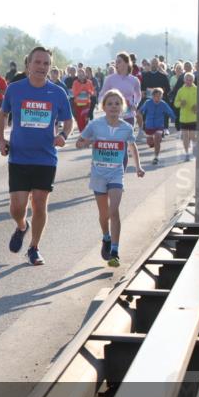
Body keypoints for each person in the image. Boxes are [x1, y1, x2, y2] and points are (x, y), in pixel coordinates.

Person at [0, 46, 74, 266]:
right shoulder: (15, 89)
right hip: (19, 157)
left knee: (40, 203)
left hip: (45, 157)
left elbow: (68, 120)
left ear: (50, 67)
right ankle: (22, 226)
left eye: (46, 63)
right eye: (38, 62)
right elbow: (2, 114)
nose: (42, 67)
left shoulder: (57, 92)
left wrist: (63, 134)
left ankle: (34, 247)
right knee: (17, 208)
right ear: (28, 65)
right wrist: (1, 141)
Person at [76, 90, 145, 267]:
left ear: (122, 107)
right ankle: (106, 237)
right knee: (103, 214)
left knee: (114, 211)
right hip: (98, 174)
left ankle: (114, 251)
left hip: (116, 173)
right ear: (103, 107)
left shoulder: (126, 128)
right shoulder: (95, 125)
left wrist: (138, 167)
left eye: (117, 104)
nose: (113, 107)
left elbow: (132, 146)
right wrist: (88, 142)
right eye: (110, 104)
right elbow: (79, 142)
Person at [101, 52, 142, 128]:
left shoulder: (134, 80)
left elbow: (138, 95)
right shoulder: (109, 79)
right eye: (116, 62)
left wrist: (135, 104)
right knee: (116, 138)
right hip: (113, 115)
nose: (116, 64)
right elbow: (102, 95)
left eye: (119, 62)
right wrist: (106, 107)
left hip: (129, 115)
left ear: (127, 63)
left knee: (127, 137)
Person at [138, 87, 176, 165]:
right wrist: (139, 114)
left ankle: (156, 157)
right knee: (149, 143)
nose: (158, 98)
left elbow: (170, 112)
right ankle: (153, 144)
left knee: (157, 138)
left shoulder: (163, 104)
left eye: (160, 96)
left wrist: (175, 119)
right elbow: (141, 110)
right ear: (152, 96)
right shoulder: (148, 103)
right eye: (156, 96)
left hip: (159, 125)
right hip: (149, 125)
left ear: (162, 96)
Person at [174, 72, 198, 161]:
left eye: (191, 80)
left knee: (192, 136)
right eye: (187, 80)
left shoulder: (197, 89)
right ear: (184, 80)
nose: (189, 81)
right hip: (183, 117)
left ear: (193, 80)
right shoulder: (181, 90)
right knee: (185, 136)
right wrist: (180, 103)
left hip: (193, 117)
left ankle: (194, 150)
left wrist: (197, 107)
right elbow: (176, 103)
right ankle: (187, 154)